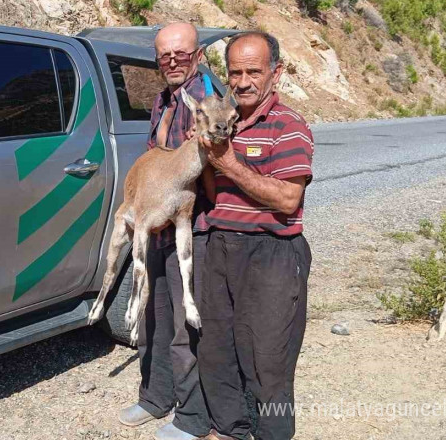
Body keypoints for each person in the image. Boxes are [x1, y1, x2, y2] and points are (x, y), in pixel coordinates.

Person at [196, 31, 314, 440]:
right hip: (221, 246)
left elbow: (287, 199)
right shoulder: (227, 124)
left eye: (253, 72)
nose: (243, 81)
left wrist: (227, 162)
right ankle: (229, 429)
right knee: (217, 349)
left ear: (276, 73)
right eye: (234, 72)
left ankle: (273, 434)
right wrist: (212, 163)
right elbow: (216, 197)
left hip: (271, 254)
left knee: (268, 358)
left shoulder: (289, 125)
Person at [117, 22, 213, 440]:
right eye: (165, 56)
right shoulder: (163, 100)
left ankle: (193, 416)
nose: (173, 61)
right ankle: (156, 397)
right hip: (155, 226)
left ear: (198, 56)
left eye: (182, 54)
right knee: (151, 313)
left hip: (192, 228)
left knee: (184, 324)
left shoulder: (212, 100)